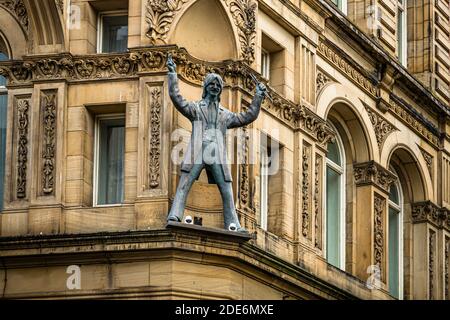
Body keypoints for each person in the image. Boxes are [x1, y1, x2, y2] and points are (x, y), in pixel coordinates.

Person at [166, 54, 266, 232]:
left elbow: (248, 116)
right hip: (199, 149)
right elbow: (177, 98)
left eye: (218, 85)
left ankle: (232, 225)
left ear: (220, 90)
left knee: (226, 189)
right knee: (185, 183)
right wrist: (173, 75)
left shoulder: (226, 115)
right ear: (205, 87)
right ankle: (174, 215)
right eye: (211, 84)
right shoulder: (196, 108)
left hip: (216, 152)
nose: (214, 87)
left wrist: (258, 97)